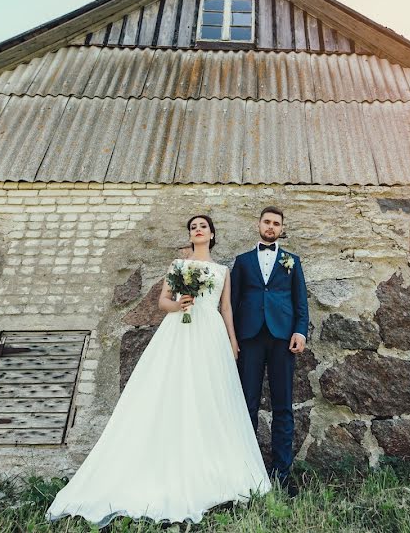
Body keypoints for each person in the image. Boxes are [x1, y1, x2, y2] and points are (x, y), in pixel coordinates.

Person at [46, 215, 270, 526]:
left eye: (203, 226)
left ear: (212, 233)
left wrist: (232, 340)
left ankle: (213, 470)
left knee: (209, 397)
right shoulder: (178, 266)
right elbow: (164, 301)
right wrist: (180, 305)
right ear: (190, 236)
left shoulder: (222, 271)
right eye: (193, 227)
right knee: (172, 390)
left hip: (211, 335)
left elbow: (226, 307)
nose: (198, 230)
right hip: (179, 329)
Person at [231, 206, 309, 496]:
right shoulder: (242, 262)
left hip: (282, 339)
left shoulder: (292, 261)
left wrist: (300, 330)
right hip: (249, 338)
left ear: (281, 228)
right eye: (267, 222)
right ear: (258, 224)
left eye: (277, 223)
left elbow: (300, 300)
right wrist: (232, 338)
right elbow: (233, 302)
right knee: (247, 405)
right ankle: (246, 471)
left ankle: (282, 473)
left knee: (283, 406)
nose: (271, 227)